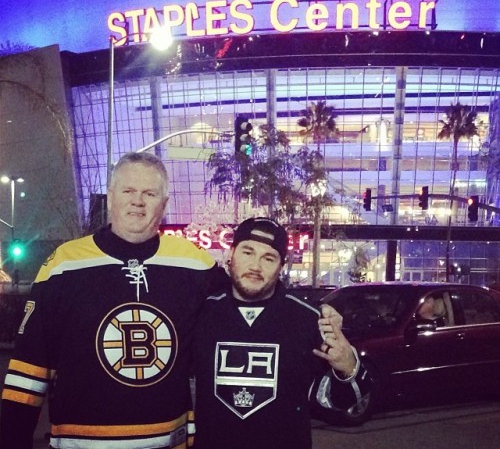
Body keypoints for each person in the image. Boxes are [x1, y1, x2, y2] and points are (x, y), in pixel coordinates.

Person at [0, 152, 227, 449]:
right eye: (128, 191)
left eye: (149, 193)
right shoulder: (63, 265)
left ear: (164, 203)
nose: (138, 201)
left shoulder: (194, 264)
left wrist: (298, 319)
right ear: (110, 196)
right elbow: (29, 368)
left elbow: (245, 308)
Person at [192, 217, 371, 449]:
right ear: (231, 253)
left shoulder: (308, 319)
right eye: (248, 252)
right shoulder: (202, 314)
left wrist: (348, 367)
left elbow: (339, 404)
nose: (256, 266)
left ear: (281, 266)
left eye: (269, 258)